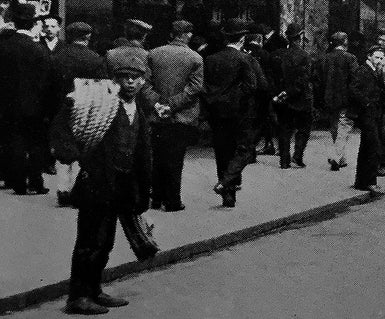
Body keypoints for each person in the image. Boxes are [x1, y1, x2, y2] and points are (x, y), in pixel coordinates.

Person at [52, 50, 154, 316]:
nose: (130, 82)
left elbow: (143, 153)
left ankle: (94, 290)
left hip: (122, 185)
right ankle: (78, 296)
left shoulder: (139, 110)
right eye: (124, 77)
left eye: (136, 77)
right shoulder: (98, 103)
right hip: (96, 183)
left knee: (105, 242)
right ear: (114, 80)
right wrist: (72, 154)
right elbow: (63, 126)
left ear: (143, 81)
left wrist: (144, 192)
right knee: (89, 241)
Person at [146, 20, 204, 211]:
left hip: (157, 115)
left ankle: (155, 199)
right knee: (175, 160)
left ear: (172, 34)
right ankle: (172, 201)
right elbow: (194, 89)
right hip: (181, 117)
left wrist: (158, 104)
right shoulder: (195, 58)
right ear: (187, 35)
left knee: (158, 157)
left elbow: (145, 84)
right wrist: (171, 106)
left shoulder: (153, 54)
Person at [202, 20, 259, 208]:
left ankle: (228, 196)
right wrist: (235, 98)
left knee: (222, 150)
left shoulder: (210, 59)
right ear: (242, 39)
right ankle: (226, 182)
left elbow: (205, 87)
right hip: (239, 112)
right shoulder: (245, 59)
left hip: (216, 112)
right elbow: (252, 85)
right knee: (244, 149)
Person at [0, 4, 56, 195]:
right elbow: (49, 82)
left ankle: (17, 181)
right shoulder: (39, 50)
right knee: (36, 143)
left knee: (13, 140)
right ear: (33, 24)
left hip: (7, 104)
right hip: (35, 106)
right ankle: (35, 180)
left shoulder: (3, 46)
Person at [50, 22, 107, 208]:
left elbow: (48, 87)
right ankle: (76, 190)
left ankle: (62, 189)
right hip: (86, 110)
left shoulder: (57, 57)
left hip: (60, 108)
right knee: (83, 148)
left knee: (63, 151)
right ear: (88, 36)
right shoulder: (96, 59)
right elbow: (102, 89)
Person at [269, 24, 315, 166]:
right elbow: (303, 79)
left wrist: (280, 93)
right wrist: (291, 91)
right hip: (301, 98)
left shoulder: (277, 55)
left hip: (283, 99)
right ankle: (298, 155)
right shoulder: (304, 56)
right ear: (299, 37)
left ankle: (284, 160)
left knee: (284, 128)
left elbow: (273, 77)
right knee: (304, 128)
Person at [349, 43, 385, 194]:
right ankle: (370, 182)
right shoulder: (363, 70)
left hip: (375, 115)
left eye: (381, 58)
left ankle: (361, 181)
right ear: (369, 56)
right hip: (367, 115)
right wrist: (366, 102)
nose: (379, 60)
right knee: (373, 148)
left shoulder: (375, 71)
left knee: (366, 148)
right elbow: (353, 89)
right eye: (377, 57)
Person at [316, 32, 359, 171]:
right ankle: (336, 155)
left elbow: (319, 79)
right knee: (344, 127)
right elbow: (355, 79)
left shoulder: (324, 58)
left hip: (329, 98)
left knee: (335, 127)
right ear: (345, 42)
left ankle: (341, 158)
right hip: (345, 98)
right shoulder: (350, 58)